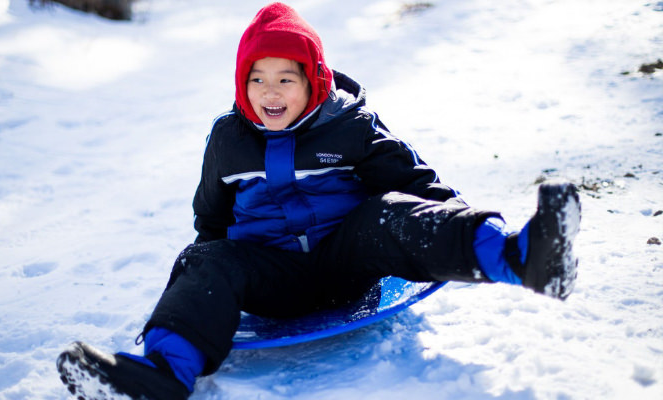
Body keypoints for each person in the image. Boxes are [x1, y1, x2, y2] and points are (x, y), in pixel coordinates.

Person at [56, 3, 581, 399]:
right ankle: (163, 374)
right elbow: (211, 220)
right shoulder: (228, 140)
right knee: (203, 257)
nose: (271, 92)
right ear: (242, 85)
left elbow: (418, 186)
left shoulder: (350, 126)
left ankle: (523, 258)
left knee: (388, 212)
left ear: (314, 81)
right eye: (257, 79)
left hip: (349, 261)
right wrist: (203, 291)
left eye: (286, 78)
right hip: (272, 278)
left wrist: (450, 225)